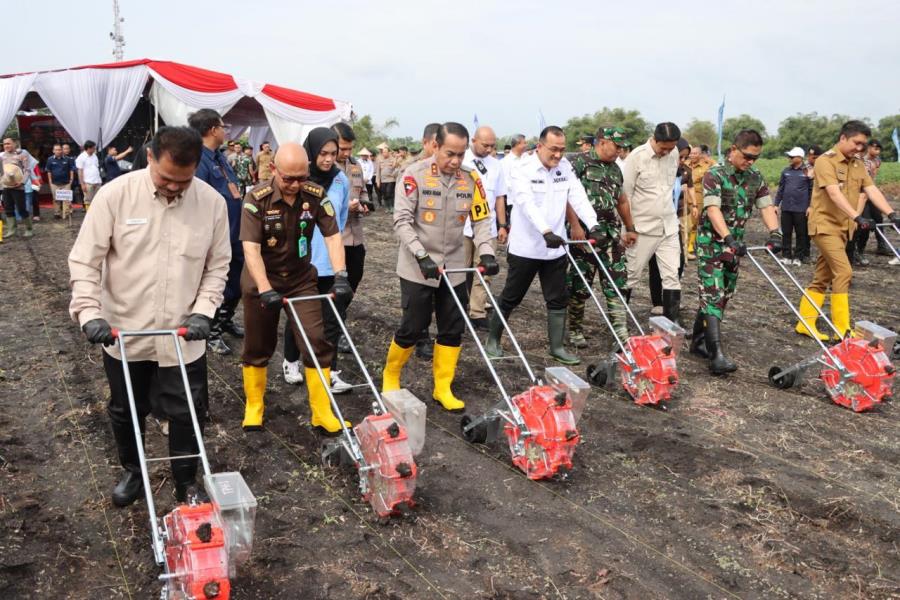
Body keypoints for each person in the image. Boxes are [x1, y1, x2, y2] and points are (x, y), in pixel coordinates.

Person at [68, 126, 231, 506]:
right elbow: (85, 261)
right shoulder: (115, 196)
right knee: (126, 409)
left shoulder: (211, 204)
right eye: (166, 178)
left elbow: (218, 265)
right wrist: (90, 313)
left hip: (182, 335)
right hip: (123, 331)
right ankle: (133, 470)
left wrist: (204, 311)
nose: (174, 188)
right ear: (150, 158)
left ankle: (186, 481)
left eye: (184, 181)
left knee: (189, 412)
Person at [382, 122, 498, 412]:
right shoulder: (414, 175)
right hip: (418, 266)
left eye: (461, 154)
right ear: (435, 145)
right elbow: (402, 221)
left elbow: (482, 220)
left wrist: (486, 253)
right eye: (450, 154)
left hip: (456, 267)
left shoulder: (470, 179)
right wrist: (422, 256)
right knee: (413, 325)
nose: (455, 161)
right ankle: (391, 376)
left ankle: (442, 387)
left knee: (452, 327)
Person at [239, 143, 353, 434]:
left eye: (301, 177)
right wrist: (265, 289)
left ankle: (322, 411)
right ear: (274, 169)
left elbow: (333, 236)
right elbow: (250, 250)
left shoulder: (315, 195)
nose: (294, 184)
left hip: (301, 279)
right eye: (288, 178)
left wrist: (341, 275)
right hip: (261, 278)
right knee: (258, 345)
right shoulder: (256, 198)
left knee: (317, 340)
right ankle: (254, 406)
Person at [485, 126, 604, 366]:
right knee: (511, 297)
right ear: (539, 147)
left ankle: (557, 347)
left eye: (562, 150)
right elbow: (526, 203)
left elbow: (577, 195)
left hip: (556, 248)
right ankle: (493, 340)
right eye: (553, 150)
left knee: (558, 298)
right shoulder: (522, 169)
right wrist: (545, 230)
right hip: (526, 247)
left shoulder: (565, 168)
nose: (558, 155)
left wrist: (593, 224)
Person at [794, 121, 900, 340]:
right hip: (825, 226)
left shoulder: (857, 164)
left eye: (863, 144)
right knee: (844, 272)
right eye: (856, 143)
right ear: (843, 138)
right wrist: (857, 216)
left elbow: (871, 189)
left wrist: (892, 214)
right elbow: (834, 193)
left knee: (822, 277)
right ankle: (842, 329)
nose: (860, 148)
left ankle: (805, 323)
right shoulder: (825, 161)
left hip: (844, 228)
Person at [690, 129, 782, 374]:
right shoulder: (715, 175)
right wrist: (727, 236)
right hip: (712, 243)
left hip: (735, 246)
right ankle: (715, 355)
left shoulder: (755, 177)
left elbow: (766, 207)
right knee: (713, 293)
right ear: (733, 151)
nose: (750, 161)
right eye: (747, 156)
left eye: (755, 158)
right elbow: (712, 210)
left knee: (723, 294)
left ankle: (698, 340)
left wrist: (775, 232)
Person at [281, 128, 353, 393]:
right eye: (323, 153)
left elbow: (340, 217)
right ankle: (291, 361)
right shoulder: (298, 179)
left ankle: (330, 371)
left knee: (332, 317)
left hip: (330, 260)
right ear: (311, 152)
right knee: (298, 315)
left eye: (333, 154)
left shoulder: (340, 180)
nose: (328, 159)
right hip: (303, 261)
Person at [565, 127, 638, 349]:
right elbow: (566, 195)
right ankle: (575, 329)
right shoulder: (577, 162)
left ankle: (621, 334)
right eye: (616, 146)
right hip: (584, 235)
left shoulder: (616, 169)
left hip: (611, 235)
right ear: (603, 142)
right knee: (580, 286)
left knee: (617, 283)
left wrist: (630, 227)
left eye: (622, 148)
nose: (619, 151)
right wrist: (575, 225)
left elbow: (622, 200)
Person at [188, 109, 245, 356]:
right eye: (223, 126)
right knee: (217, 283)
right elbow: (198, 200)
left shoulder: (220, 157)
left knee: (237, 280)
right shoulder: (198, 159)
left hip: (236, 231)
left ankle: (226, 319)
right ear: (212, 129)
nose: (226, 130)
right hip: (216, 236)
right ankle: (212, 331)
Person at [622, 123, 683, 323]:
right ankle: (618, 322)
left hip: (668, 226)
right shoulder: (636, 158)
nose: (666, 152)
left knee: (672, 275)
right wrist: (627, 228)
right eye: (663, 148)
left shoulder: (673, 154)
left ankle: (670, 325)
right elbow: (625, 196)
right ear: (654, 139)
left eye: (671, 148)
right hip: (642, 229)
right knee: (631, 274)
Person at [462, 126, 508, 331]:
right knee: (460, 270)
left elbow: (499, 197)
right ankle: (458, 308)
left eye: (492, 145)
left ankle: (477, 312)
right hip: (461, 226)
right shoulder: (461, 161)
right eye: (485, 145)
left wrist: (502, 225)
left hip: (487, 226)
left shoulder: (496, 165)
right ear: (474, 140)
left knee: (484, 271)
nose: (489, 149)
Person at [332, 123, 370, 354]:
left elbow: (363, 191)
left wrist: (364, 203)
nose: (346, 153)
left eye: (349, 149)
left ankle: (338, 319)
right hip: (336, 237)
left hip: (356, 236)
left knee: (354, 280)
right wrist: (346, 206)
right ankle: (336, 328)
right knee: (338, 285)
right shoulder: (324, 167)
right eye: (342, 148)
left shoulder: (356, 166)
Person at [648, 138, 694, 319]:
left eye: (685, 158)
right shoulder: (658, 171)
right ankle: (657, 302)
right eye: (680, 156)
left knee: (678, 262)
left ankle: (671, 303)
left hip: (674, 222)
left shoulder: (683, 172)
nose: (682, 161)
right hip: (654, 224)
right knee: (655, 265)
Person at [774, 147, 812, 266]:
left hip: (801, 209)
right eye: (789, 156)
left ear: (800, 158)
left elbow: (812, 191)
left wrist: (810, 206)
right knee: (786, 233)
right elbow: (781, 189)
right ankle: (786, 256)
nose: (789, 159)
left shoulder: (807, 172)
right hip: (786, 208)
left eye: (792, 157)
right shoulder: (786, 171)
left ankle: (798, 257)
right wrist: (776, 204)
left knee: (801, 234)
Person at [855, 140, 890, 262]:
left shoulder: (875, 161)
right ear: (868, 148)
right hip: (860, 195)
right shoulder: (858, 160)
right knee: (865, 223)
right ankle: (857, 251)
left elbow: (872, 177)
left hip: (870, 194)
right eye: (875, 149)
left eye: (879, 149)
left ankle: (881, 245)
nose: (877, 152)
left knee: (878, 219)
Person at [687, 144, 716, 259]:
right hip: (683, 197)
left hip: (698, 198)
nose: (692, 155)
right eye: (691, 153)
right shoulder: (685, 164)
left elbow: (717, 166)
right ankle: (684, 246)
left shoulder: (706, 166)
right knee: (684, 223)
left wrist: (708, 159)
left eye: (695, 153)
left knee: (694, 223)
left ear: (700, 155)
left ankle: (690, 246)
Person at [1, 137, 32, 238]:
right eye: (5, 144)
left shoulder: (22, 155)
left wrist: (22, 182)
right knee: (8, 208)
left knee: (21, 208)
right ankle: (12, 229)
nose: (6, 146)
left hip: (18, 187)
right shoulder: (1, 156)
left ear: (14, 144)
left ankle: (29, 229)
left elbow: (27, 170)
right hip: (6, 186)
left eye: (9, 143)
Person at [46, 143, 76, 219]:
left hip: (66, 182)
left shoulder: (67, 159)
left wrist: (71, 179)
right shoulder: (50, 159)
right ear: (53, 151)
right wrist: (50, 181)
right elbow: (49, 171)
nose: (58, 151)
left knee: (67, 199)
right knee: (56, 199)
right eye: (56, 150)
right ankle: (57, 213)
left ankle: (67, 213)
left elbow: (71, 170)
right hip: (54, 183)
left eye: (59, 149)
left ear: (62, 150)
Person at [76, 141, 102, 211]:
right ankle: (89, 214)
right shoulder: (81, 157)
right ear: (88, 148)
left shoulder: (95, 156)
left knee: (97, 199)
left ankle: (96, 213)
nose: (94, 150)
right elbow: (80, 172)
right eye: (93, 148)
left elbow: (96, 168)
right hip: (88, 182)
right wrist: (82, 184)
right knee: (88, 200)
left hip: (97, 181)